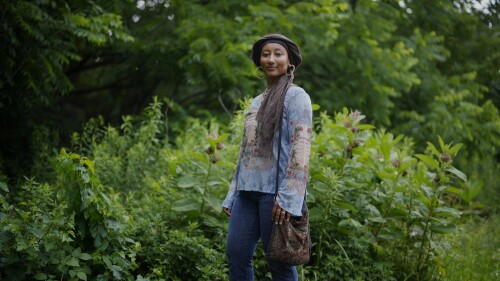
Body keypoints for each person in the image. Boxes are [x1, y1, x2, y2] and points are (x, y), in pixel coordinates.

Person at [222, 34, 313, 281]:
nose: (271, 59)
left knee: (279, 262)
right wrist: (233, 192)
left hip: (275, 196)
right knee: (236, 255)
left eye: (277, 54)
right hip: (247, 191)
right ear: (259, 62)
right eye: (265, 54)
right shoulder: (256, 102)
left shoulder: (296, 97)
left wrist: (288, 198)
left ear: (289, 61)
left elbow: (301, 149)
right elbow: (246, 151)